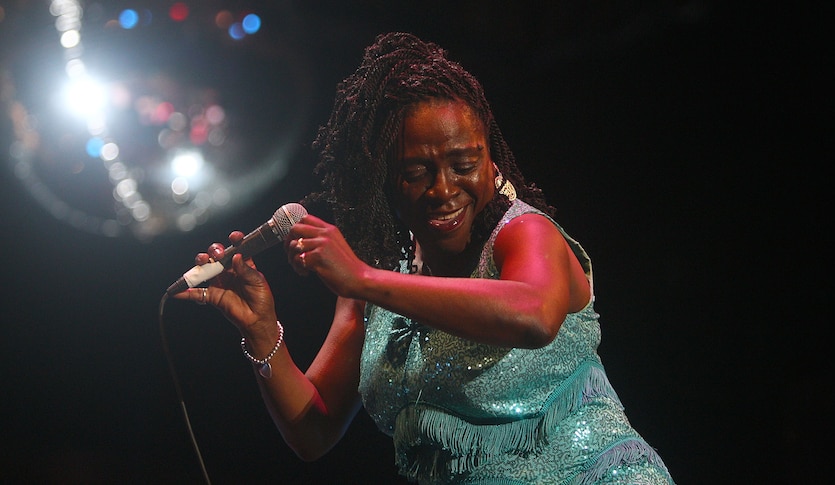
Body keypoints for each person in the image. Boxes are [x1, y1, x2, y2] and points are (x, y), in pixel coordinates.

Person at [174, 32, 675, 484]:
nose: (443, 189)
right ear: (384, 181)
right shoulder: (380, 277)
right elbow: (314, 431)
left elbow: (534, 315)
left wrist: (362, 279)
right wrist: (262, 331)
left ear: (491, 160)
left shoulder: (524, 233)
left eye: (464, 164)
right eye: (416, 170)